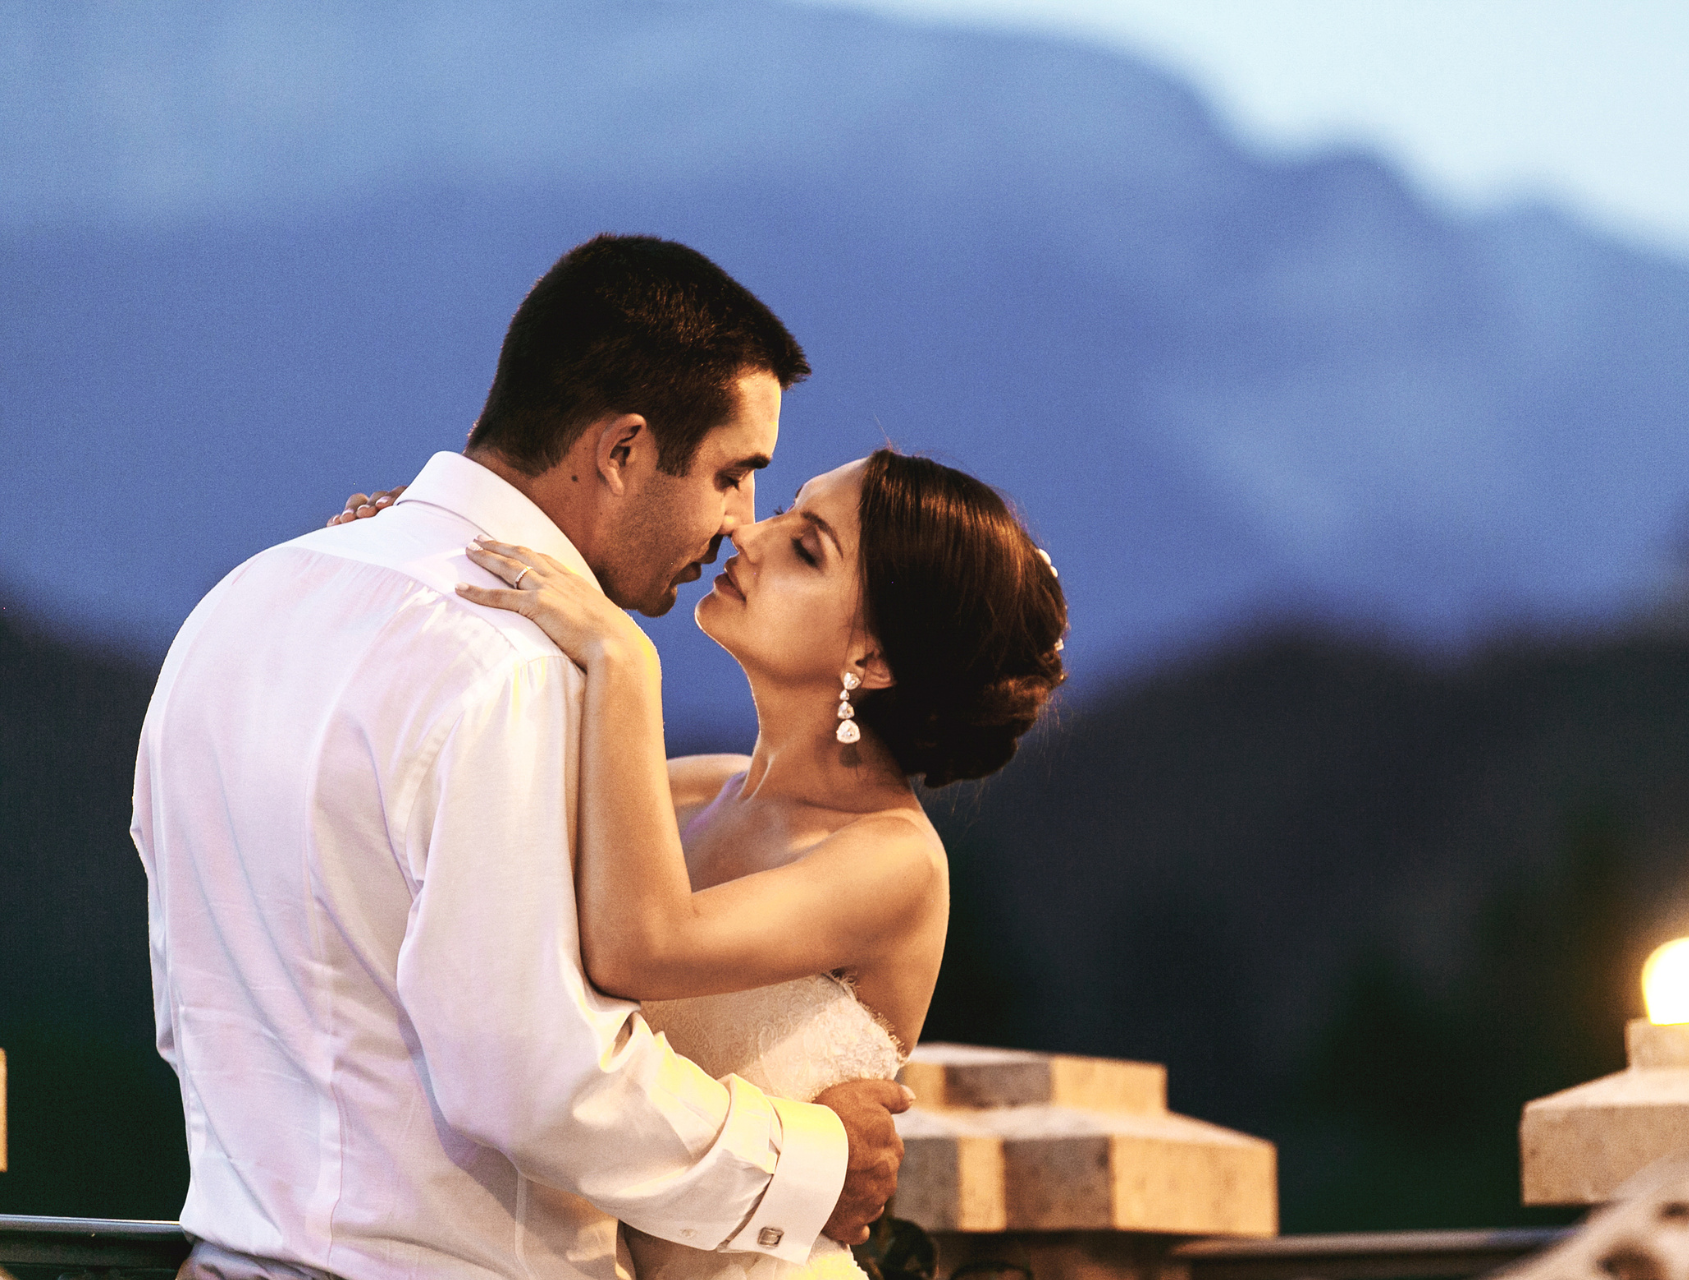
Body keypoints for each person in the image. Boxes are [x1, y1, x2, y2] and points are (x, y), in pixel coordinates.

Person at [133, 234, 913, 1280]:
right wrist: (808, 1165)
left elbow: (188, 1004)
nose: (741, 524)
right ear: (624, 450)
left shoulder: (242, 602)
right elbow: (537, 1078)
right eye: (732, 475)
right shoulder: (514, 667)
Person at [335, 446, 1070, 1280]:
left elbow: (641, 946)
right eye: (786, 510)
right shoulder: (691, 792)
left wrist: (626, 662)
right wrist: (425, 553)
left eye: (806, 549)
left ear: (873, 661)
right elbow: (477, 809)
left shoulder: (894, 860)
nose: (748, 536)